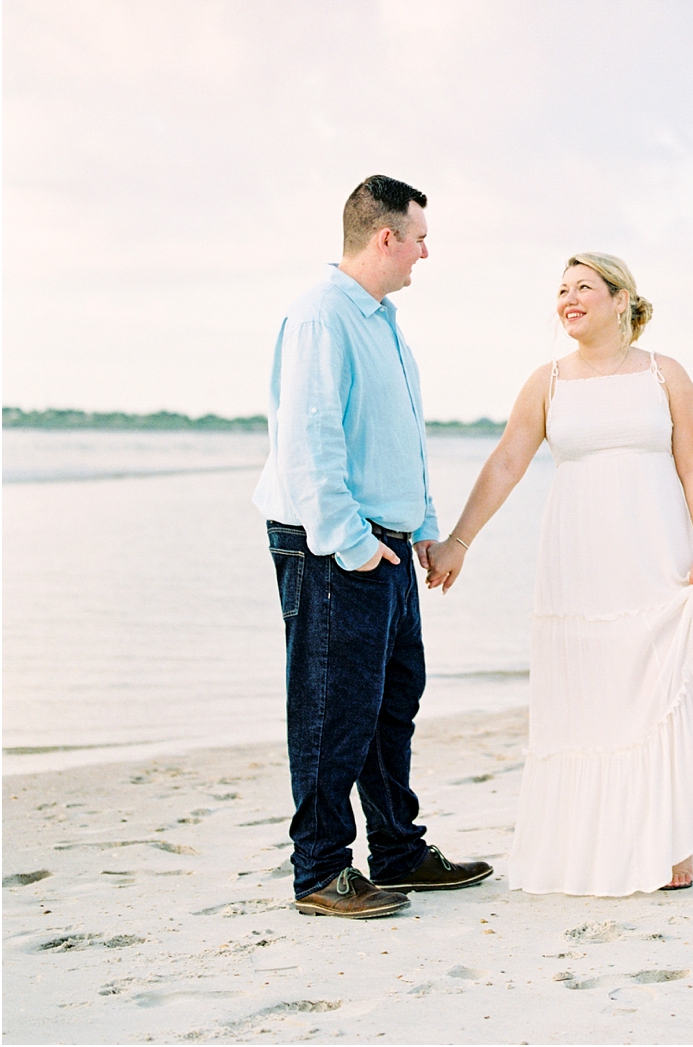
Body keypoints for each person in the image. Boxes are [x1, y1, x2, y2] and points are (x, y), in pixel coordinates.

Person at [425, 253, 693, 896]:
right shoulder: (548, 382)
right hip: (578, 560)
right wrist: (458, 540)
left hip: (656, 553)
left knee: (651, 685)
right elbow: (508, 461)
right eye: (561, 290)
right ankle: (586, 844)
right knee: (587, 693)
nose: (568, 298)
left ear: (622, 299)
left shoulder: (664, 374)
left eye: (583, 287)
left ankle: (668, 840)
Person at [253, 174, 492, 919]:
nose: (426, 251)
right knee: (333, 710)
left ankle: (397, 850)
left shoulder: (380, 319)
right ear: (385, 235)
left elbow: (399, 436)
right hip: (335, 546)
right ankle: (320, 871)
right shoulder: (323, 314)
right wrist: (348, 543)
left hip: (383, 543)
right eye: (419, 236)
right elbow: (310, 437)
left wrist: (423, 526)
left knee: (392, 703)